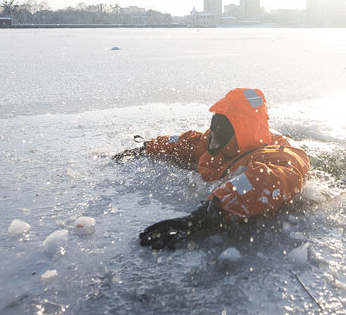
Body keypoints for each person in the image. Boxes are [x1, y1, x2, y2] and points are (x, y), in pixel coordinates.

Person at [114, 88, 310, 250]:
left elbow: (266, 180)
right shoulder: (220, 142)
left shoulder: (278, 156)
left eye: (221, 129)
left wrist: (205, 215)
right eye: (214, 126)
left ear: (239, 132)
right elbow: (187, 143)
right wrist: (147, 148)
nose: (213, 135)